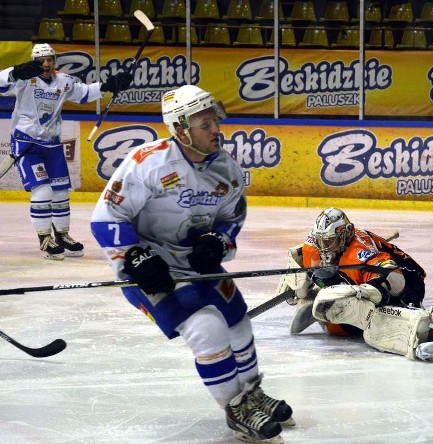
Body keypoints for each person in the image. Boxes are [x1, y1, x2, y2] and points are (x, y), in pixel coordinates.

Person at [90, 85, 293, 444]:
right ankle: (237, 410)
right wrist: (133, 257)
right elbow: (107, 217)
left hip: (196, 264)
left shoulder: (226, 169)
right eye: (205, 123)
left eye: (215, 120)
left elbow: (233, 217)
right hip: (154, 269)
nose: (216, 129)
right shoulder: (147, 162)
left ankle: (251, 393)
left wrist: (219, 241)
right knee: (207, 329)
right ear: (181, 129)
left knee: (238, 322)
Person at [276, 208, 433, 362]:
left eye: (328, 242)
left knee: (361, 312)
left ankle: (414, 325)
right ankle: (325, 301)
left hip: (407, 285)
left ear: (343, 237)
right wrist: (298, 275)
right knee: (326, 282)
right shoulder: (319, 243)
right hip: (355, 278)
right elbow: (301, 252)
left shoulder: (361, 253)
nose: (323, 247)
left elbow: (396, 280)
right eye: (320, 241)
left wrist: (362, 292)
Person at [0, 43, 132, 260]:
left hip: (52, 145)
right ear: (34, 61)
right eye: (41, 60)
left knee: (61, 194)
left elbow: (85, 93)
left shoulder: (64, 81)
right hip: (26, 143)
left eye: (50, 59)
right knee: (42, 192)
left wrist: (110, 85)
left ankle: (62, 235)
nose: (46, 63)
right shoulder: (23, 79)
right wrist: (15, 71)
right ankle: (45, 239)